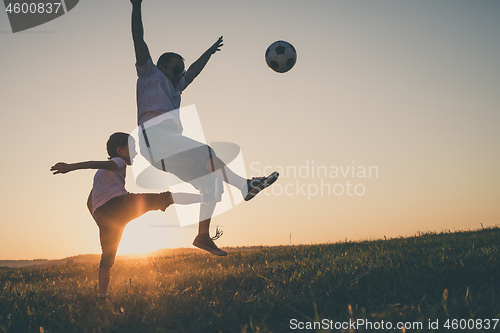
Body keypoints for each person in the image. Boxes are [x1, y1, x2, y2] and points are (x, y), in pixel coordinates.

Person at [130, 0, 279, 256]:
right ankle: (244, 186)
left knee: (211, 183)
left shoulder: (176, 88)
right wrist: (136, 6)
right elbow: (138, 40)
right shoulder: (149, 74)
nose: (180, 73)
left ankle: (202, 236)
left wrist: (209, 53)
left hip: (166, 148)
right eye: (176, 69)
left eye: (182, 70)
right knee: (207, 153)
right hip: (154, 138)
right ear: (162, 66)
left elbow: (195, 72)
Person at [51, 132, 219, 300]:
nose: (136, 153)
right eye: (132, 149)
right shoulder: (118, 162)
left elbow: (90, 201)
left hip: (105, 218)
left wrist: (99, 218)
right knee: (164, 198)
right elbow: (94, 163)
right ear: (120, 151)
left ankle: (102, 297)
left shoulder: (100, 176)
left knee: (107, 258)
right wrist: (70, 167)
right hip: (119, 205)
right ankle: (206, 197)